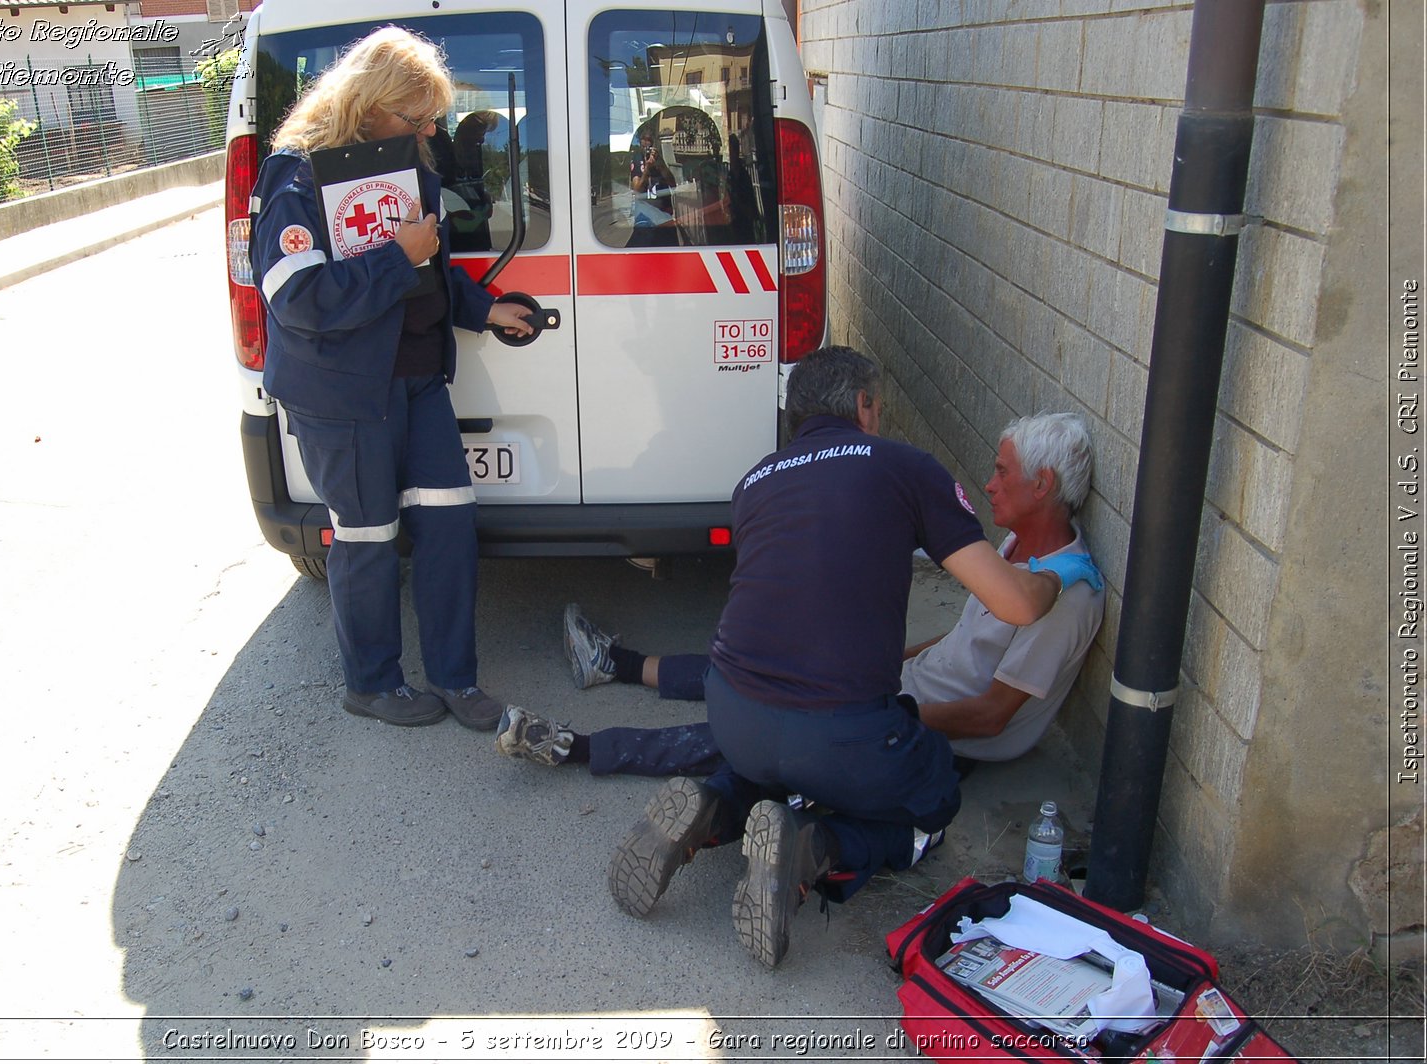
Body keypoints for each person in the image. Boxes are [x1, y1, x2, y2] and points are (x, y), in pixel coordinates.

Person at [587, 347, 1101, 967]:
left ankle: (715, 806)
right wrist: (1054, 577)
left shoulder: (754, 481)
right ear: (862, 405)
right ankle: (817, 846)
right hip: (842, 734)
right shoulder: (906, 468)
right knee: (932, 799)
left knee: (779, 760)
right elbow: (1017, 604)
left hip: (734, 713)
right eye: (878, 407)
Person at [496, 412, 1104, 777]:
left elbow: (992, 716)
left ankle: (577, 749)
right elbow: (965, 641)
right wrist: (889, 661)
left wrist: (886, 716)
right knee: (773, 666)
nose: (990, 483)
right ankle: (617, 665)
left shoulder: (1067, 592)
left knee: (747, 740)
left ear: (1043, 483)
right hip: (899, 693)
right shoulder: (1016, 552)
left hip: (934, 733)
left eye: (1002, 472)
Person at [250, 27, 533, 731]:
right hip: (343, 397)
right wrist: (394, 256)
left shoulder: (405, 163)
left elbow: (428, 267)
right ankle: (371, 683)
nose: (430, 128)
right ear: (369, 104)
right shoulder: (296, 175)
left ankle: (455, 680)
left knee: (448, 527)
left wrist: (483, 306)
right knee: (369, 536)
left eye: (432, 116)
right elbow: (298, 297)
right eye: (417, 116)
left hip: (416, 381)